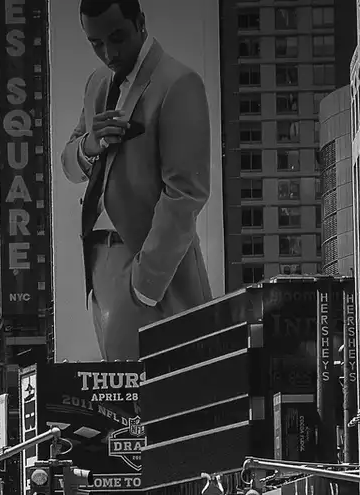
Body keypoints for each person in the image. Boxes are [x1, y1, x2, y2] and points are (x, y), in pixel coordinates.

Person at [62, 0, 212, 367]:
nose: (109, 53)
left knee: (153, 399)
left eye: (117, 38)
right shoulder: (97, 83)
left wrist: (144, 286)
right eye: (96, 43)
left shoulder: (179, 83)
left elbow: (185, 193)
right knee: (122, 397)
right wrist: (89, 145)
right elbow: (70, 164)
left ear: (140, 23)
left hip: (145, 267)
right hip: (99, 265)